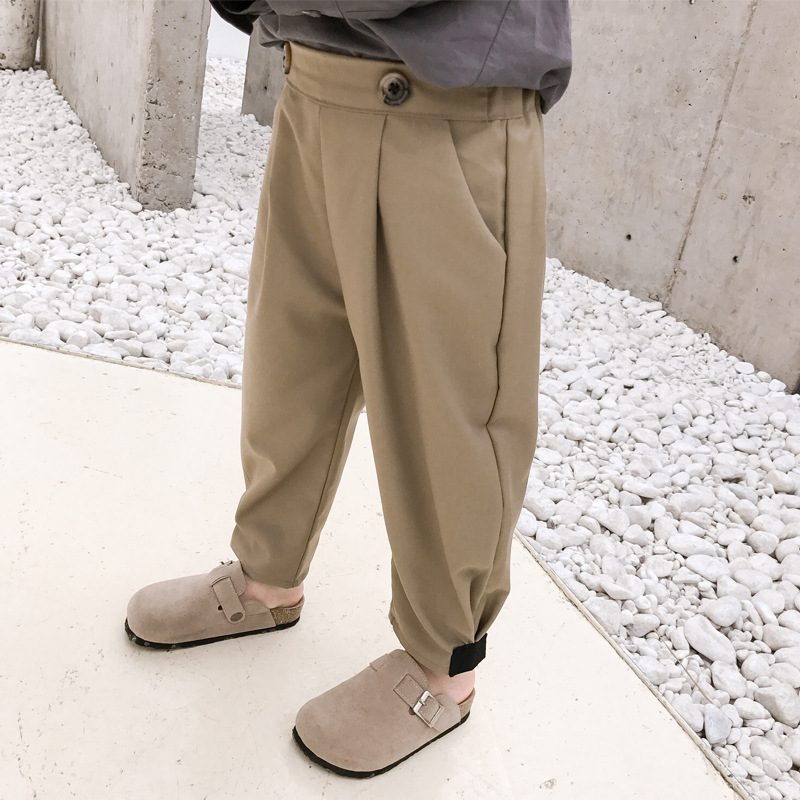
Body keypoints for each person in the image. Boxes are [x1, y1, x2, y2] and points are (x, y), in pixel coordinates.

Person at [126, 0, 572, 778]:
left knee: (448, 411)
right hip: (313, 86)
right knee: (290, 365)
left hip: (448, 110)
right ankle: (266, 578)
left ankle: (443, 664)